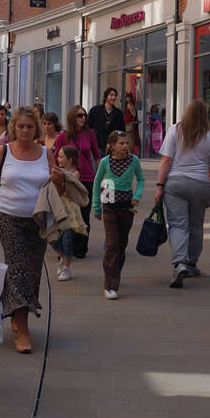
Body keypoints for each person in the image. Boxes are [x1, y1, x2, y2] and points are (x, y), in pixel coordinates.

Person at [0, 107, 63, 354]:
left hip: (37, 220)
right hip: (8, 217)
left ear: (37, 129)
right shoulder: (4, 151)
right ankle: (23, 329)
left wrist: (59, 179)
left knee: (31, 272)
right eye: (20, 126)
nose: (25, 130)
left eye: (29, 127)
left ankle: (14, 310)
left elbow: (57, 191)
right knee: (19, 268)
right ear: (14, 128)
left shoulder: (46, 153)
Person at [156, 99, 210, 288]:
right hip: (200, 184)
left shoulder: (175, 130)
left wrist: (160, 185)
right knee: (195, 225)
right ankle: (191, 263)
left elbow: (166, 160)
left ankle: (180, 262)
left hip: (176, 183)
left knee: (178, 225)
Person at [92, 130, 144, 299]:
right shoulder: (105, 162)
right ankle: (110, 285)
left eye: (126, 143)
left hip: (126, 208)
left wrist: (136, 196)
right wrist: (97, 208)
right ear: (112, 145)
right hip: (109, 207)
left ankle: (115, 274)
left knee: (121, 245)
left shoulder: (134, 161)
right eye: (121, 143)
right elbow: (96, 183)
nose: (125, 146)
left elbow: (141, 179)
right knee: (112, 244)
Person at [62, 105, 101, 257]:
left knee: (84, 213)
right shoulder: (64, 136)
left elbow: (96, 155)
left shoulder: (89, 133)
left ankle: (80, 248)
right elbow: (56, 157)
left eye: (84, 115)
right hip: (69, 179)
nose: (83, 118)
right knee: (68, 212)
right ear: (72, 117)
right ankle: (67, 246)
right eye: (79, 115)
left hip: (87, 178)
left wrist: (102, 175)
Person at [53, 143, 89, 280]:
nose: (58, 159)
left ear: (70, 160)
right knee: (54, 240)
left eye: (61, 157)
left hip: (69, 212)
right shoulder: (57, 171)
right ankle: (62, 258)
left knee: (67, 239)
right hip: (56, 209)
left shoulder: (75, 173)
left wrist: (58, 176)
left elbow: (69, 183)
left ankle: (67, 267)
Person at [88, 87, 125, 155]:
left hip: (112, 148)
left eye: (115, 95)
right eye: (111, 95)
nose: (113, 97)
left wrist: (113, 143)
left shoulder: (119, 114)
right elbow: (88, 127)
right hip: (97, 147)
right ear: (106, 97)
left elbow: (121, 131)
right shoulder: (95, 110)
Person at [124, 93, 141, 157]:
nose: (127, 99)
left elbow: (133, 114)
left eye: (128, 97)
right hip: (127, 123)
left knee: (129, 139)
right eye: (126, 97)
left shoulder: (130, 104)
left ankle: (130, 154)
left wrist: (131, 109)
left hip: (129, 124)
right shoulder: (128, 104)